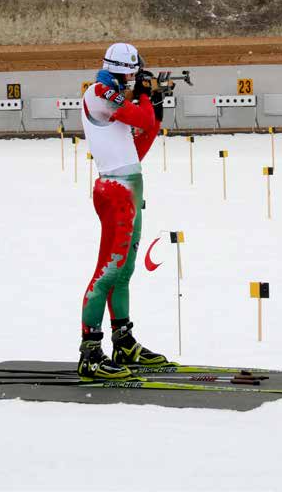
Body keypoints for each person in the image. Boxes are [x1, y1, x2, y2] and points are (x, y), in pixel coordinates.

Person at [78, 41, 166, 381]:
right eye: (134, 74)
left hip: (128, 186)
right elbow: (140, 117)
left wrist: (154, 103)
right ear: (124, 70)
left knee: (124, 271)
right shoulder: (100, 92)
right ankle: (90, 352)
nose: (135, 80)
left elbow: (145, 133)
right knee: (107, 273)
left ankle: (123, 342)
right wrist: (145, 99)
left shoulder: (115, 95)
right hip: (115, 190)